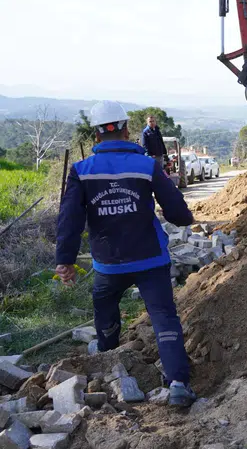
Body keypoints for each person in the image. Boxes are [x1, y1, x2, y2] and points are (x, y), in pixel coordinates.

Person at [55, 100, 197, 408]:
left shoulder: (81, 171)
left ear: (95, 137)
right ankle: (178, 385)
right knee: (163, 318)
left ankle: (108, 366)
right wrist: (186, 218)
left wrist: (65, 260)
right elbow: (177, 211)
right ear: (127, 130)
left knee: (105, 312)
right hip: (150, 259)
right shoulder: (146, 166)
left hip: (109, 264)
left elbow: (69, 219)